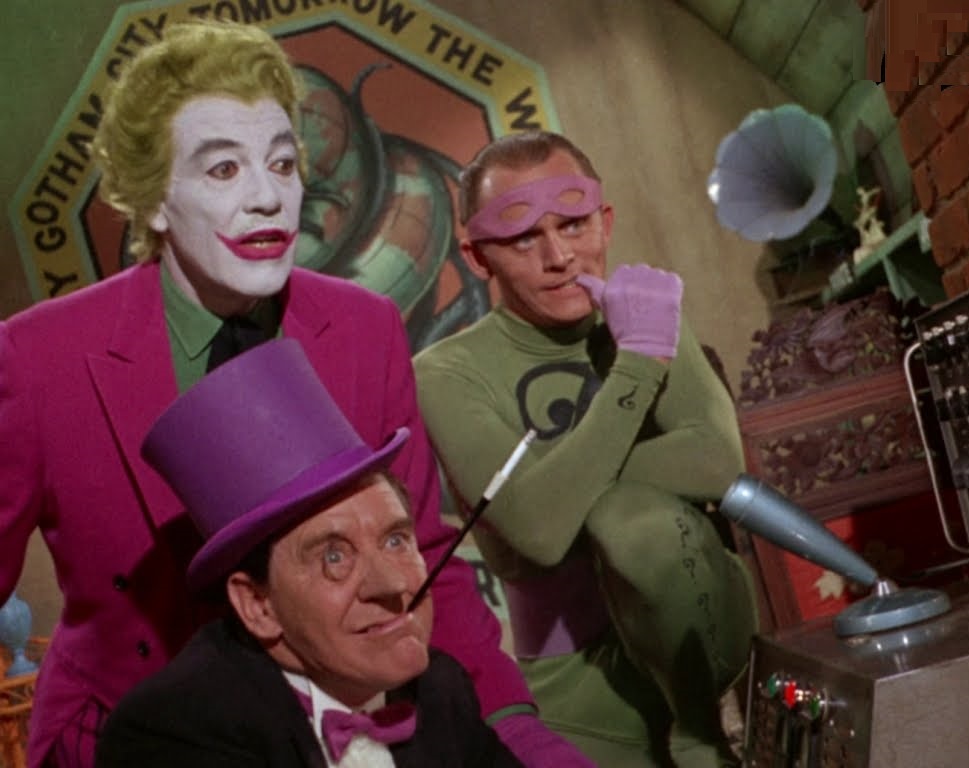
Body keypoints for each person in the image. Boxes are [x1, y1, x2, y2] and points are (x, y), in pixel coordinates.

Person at [0, 22, 586, 768]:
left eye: (282, 163)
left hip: (334, 739)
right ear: (153, 201)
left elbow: (423, 553)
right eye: (223, 170)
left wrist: (514, 729)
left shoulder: (366, 327)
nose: (267, 198)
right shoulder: (37, 358)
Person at [413, 130, 758, 767]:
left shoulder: (648, 311)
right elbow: (539, 531)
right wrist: (639, 366)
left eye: (573, 225)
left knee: (632, 520)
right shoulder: (445, 372)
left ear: (605, 222)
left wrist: (558, 482)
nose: (560, 257)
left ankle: (698, 729)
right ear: (479, 257)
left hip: (703, 645)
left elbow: (717, 460)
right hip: (575, 692)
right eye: (523, 239)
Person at [95, 338, 522, 767]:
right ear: (258, 604)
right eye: (335, 557)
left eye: (395, 540)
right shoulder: (172, 733)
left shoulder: (440, 688)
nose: (394, 584)